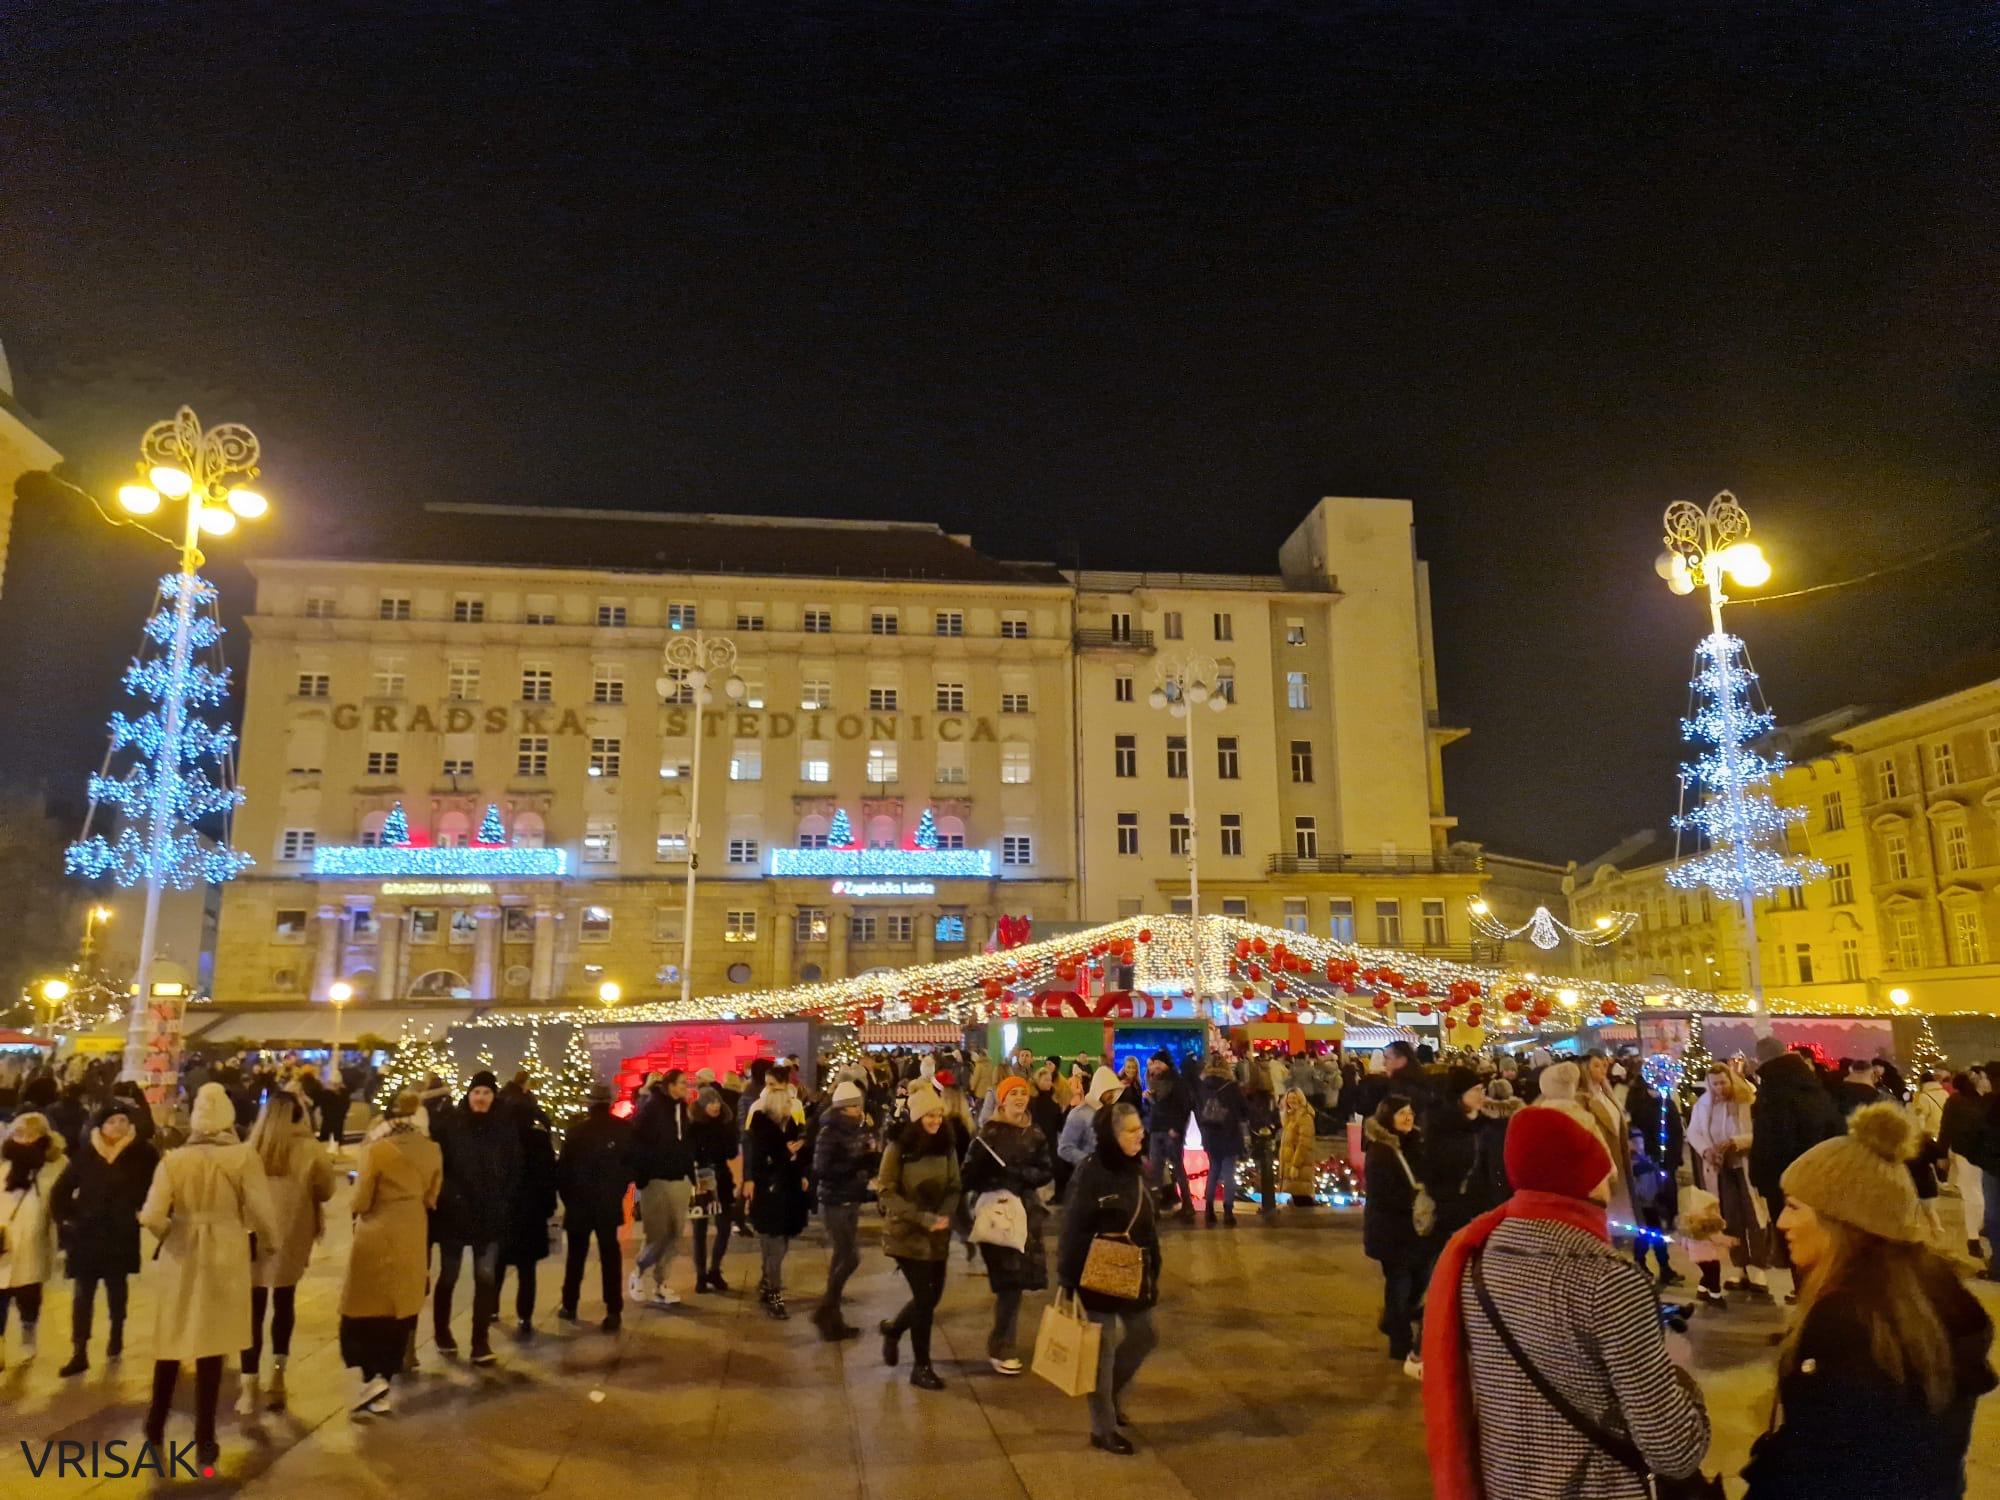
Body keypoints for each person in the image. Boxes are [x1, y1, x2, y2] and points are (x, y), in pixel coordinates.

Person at [1423, 1106, 1712, 1500]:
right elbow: (1674, 1452)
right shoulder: (1609, 1282)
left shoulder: (1478, 1260)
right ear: (1589, 1180)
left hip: (1507, 1487)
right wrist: (1685, 1384)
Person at [1741, 1103, 1997, 1498]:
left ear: (1842, 1219)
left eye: (1794, 1207)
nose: (1782, 1222)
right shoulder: (1930, 1290)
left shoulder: (1845, 1321)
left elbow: (1826, 1463)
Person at [139, 1083, 280, 1465]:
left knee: (172, 1338)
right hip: (225, 1250)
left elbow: (151, 1215)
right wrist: (270, 1243)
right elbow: (263, 1211)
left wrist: (172, 1232)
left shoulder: (173, 1160)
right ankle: (205, 1437)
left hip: (180, 1251)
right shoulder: (243, 1157)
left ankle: (155, 1422)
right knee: (212, 1345)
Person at [1056, 1100, 1161, 1455]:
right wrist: (1068, 1280)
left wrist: (1154, 1267)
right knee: (1101, 1354)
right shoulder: (1090, 1171)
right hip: (1096, 1269)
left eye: (1140, 1129)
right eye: (1131, 1131)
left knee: (1145, 1335)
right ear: (1111, 1135)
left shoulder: (1137, 1169)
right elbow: (1073, 1227)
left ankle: (1112, 1392)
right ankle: (1102, 1428)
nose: (1139, 1136)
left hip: (1134, 1268)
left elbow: (1147, 1221)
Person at [340, 1090, 442, 1415]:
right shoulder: (432, 1149)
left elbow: (362, 1198)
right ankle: (385, 1377)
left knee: (368, 1305)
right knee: (400, 1306)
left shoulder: (377, 1149)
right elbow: (432, 1195)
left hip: (377, 1229)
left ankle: (371, 1377)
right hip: (413, 1228)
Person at [238, 1091, 335, 1413]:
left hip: (252, 1235)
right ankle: (277, 1380)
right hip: (293, 1236)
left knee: (251, 1310)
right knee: (284, 1303)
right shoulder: (310, 1149)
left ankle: (248, 1387)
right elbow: (326, 1190)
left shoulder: (250, 1149)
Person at [50, 1098, 157, 1376]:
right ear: (100, 1126)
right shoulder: (86, 1154)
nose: (118, 1126)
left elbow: (156, 1190)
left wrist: (142, 1213)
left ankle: (116, 1336)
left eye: (123, 1121)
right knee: (83, 1293)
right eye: (112, 1122)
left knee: (117, 1289)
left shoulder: (143, 1154)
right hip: (87, 1233)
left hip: (121, 1233)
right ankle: (79, 1350)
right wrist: (70, 1218)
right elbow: (60, 1191)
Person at [961, 1075, 1054, 1374]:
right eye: (1012, 1093)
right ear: (1001, 1099)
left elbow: (1045, 1171)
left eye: (1022, 1093)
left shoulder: (1035, 1133)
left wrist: (1020, 1173)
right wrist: (987, 1173)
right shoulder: (988, 1134)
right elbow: (968, 1176)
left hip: (1025, 1213)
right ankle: (1003, 1345)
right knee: (1009, 1283)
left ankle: (1001, 1339)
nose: (1018, 1098)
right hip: (997, 1213)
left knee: (1019, 1282)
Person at [431, 1071, 522, 1363]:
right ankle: (442, 1331)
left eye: (486, 1093)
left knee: (485, 1278)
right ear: (468, 1096)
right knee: (448, 1276)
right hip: (454, 1215)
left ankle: (479, 1342)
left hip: (489, 1216)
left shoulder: (504, 1128)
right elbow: (438, 1165)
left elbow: (515, 1167)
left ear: (493, 1097)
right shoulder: (452, 1126)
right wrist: (447, 1195)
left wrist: (504, 1198)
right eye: (476, 1093)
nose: (480, 1098)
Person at [877, 1083, 960, 1391]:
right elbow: (887, 1190)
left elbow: (954, 1185)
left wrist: (945, 1215)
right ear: (917, 1118)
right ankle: (921, 1366)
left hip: (937, 1232)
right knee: (925, 1300)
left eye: (939, 1115)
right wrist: (922, 1218)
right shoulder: (899, 1148)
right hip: (906, 1234)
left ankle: (894, 1329)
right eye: (929, 1116)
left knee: (933, 1296)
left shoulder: (946, 1146)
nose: (936, 1121)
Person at [1749, 1048, 1844, 1279]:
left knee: (1796, 1248)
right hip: (1822, 1182)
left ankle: (1806, 1296)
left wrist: (1761, 1179)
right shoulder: (1819, 1096)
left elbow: (1770, 1144)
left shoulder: (1776, 1100)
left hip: (1786, 1185)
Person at [1363, 1096, 1435, 1377]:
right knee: (1400, 1284)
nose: (1408, 1117)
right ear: (1387, 1118)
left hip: (1417, 1228)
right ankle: (1399, 1342)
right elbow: (1383, 1193)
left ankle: (1394, 1321)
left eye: (1410, 1112)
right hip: (1390, 1230)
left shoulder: (1418, 1143)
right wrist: (1413, 1198)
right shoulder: (1380, 1150)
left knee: (1420, 1280)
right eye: (1401, 1113)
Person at [1687, 1063, 1772, 1299]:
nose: (1719, 1088)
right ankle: (1740, 1266)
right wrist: (1706, 1150)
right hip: (1720, 1168)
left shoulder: (1747, 1101)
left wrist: (1737, 1141)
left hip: (1744, 1166)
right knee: (1730, 1218)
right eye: (1715, 1084)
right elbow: (1694, 1132)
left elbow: (1760, 1132)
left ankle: (1759, 1267)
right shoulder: (1703, 1105)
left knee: (1754, 1217)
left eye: (1723, 1082)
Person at [556, 1082, 634, 1331]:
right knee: (610, 1257)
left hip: (580, 1203)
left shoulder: (576, 1132)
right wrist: (617, 1191)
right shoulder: (622, 1130)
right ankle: (613, 1310)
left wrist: (569, 1199)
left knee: (575, 1257)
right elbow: (630, 1165)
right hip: (607, 1204)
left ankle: (569, 1304)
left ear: (588, 1104)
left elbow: (563, 1172)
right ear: (609, 1103)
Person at [742, 1064, 810, 1318]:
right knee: (773, 1241)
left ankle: (767, 1279)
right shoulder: (759, 1120)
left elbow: (802, 1147)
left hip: (789, 1188)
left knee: (780, 1241)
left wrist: (800, 1160)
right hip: (769, 1189)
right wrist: (786, 1153)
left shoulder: (793, 1117)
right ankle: (774, 1290)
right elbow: (757, 1156)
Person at [1, 1111, 66, 1369]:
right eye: (19, 1134)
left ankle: (29, 1328)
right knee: (1, 1296)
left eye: (31, 1134)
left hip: (33, 1239)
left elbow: (61, 1201)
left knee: (28, 1295)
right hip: (4, 1238)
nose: (24, 1140)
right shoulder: (4, 1162)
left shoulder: (55, 1165)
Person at [811, 1078, 874, 1341]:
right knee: (850, 1257)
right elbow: (822, 1169)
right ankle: (826, 1308)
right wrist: (857, 1163)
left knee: (841, 1257)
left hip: (851, 1198)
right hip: (835, 1201)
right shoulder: (830, 1132)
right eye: (854, 1107)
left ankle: (832, 1319)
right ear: (842, 1109)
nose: (859, 1111)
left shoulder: (857, 1129)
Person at [628, 1070, 697, 1308]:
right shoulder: (652, 1106)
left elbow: (686, 1141)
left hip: (680, 1177)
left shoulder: (682, 1108)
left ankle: (660, 1283)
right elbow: (636, 1137)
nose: (686, 1087)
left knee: (675, 1234)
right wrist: (642, 1175)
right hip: (656, 1179)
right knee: (657, 1234)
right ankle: (639, 1269)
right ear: (669, 1085)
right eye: (682, 1083)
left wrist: (691, 1173)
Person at [498, 1087, 557, 1338]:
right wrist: (548, 1208)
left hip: (504, 1212)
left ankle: (491, 1309)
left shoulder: (500, 1139)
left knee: (497, 1263)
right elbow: (548, 1178)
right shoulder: (540, 1140)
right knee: (527, 1270)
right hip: (531, 1213)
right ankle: (525, 1315)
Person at [1624, 1068, 1684, 1285]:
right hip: (1646, 1174)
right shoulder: (1644, 1106)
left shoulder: (1661, 1102)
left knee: (1651, 1223)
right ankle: (1652, 1265)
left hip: (1655, 1170)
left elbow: (1675, 1133)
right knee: (1651, 1221)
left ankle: (1649, 1265)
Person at [688, 1085, 740, 1292]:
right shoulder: (693, 1127)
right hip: (701, 1179)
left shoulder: (726, 1124)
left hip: (722, 1177)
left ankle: (715, 1270)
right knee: (699, 1231)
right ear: (702, 1105)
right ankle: (701, 1275)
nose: (715, 1105)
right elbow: (690, 1153)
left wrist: (727, 1141)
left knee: (724, 1228)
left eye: (717, 1101)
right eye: (711, 1102)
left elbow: (732, 1152)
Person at [1939, 1069, 1989, 1261]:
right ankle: (1973, 1236)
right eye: (1981, 1078)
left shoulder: (1985, 1099)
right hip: (1968, 1154)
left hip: (1983, 1155)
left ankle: (1978, 1231)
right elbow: (1946, 1128)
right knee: (1973, 1194)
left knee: (1977, 1195)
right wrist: (1942, 1153)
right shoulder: (1961, 1101)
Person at [1194, 1053, 1247, 1226]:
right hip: (1230, 1133)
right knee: (1229, 1173)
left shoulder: (1202, 1086)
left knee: (1214, 1170)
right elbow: (1243, 1109)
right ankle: (1228, 1212)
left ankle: (1209, 1210)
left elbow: (1198, 1108)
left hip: (1211, 1134)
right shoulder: (1231, 1086)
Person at [1058, 1066, 1124, 1175]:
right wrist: (1091, 1162)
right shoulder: (1079, 1114)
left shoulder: (1110, 1112)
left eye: (1114, 1091)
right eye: (1108, 1091)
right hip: (1087, 1177)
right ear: (1099, 1090)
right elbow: (1065, 1148)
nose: (1112, 1095)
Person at [1244, 1065, 1281, 1215]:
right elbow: (1274, 1117)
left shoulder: (1251, 1097)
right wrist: (1272, 1127)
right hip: (1267, 1135)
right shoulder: (1270, 1098)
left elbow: (1250, 1116)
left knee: (1262, 1166)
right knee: (1267, 1167)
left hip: (1257, 1135)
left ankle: (1266, 1202)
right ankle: (1269, 1203)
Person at [1028, 1062, 1068, 1197]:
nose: (1048, 1083)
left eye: (1050, 1080)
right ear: (1037, 1080)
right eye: (1045, 1080)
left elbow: (1059, 1124)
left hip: (1050, 1140)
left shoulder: (1054, 1100)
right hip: (1035, 1141)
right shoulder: (1031, 1100)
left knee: (1056, 1168)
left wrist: (1062, 1113)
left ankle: (1058, 1196)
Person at [1278, 1086, 1318, 1207]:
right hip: (1292, 1165)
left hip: (1299, 1166)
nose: (1291, 1101)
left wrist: (1295, 1165)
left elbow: (1304, 1144)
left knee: (1303, 1199)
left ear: (1301, 1099)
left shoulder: (1305, 1117)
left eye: (1294, 1098)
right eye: (1289, 1098)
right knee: (1298, 1197)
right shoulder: (1290, 1117)